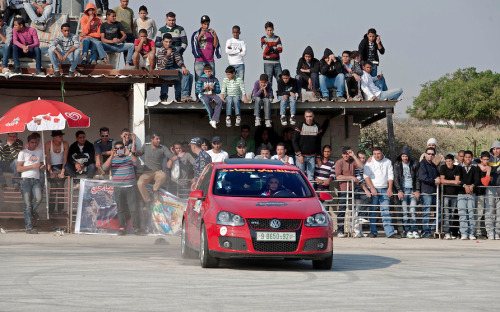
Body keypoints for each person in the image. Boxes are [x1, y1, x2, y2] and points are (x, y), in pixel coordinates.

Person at [102, 140, 142, 236]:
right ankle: (122, 228)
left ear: (124, 149)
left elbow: (138, 164)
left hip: (130, 186)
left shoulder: (129, 157)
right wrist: (112, 155)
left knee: (134, 208)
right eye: (117, 149)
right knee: (121, 209)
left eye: (121, 148)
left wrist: (129, 154)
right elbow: (104, 168)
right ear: (114, 149)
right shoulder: (113, 159)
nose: (119, 150)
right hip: (118, 188)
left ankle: (137, 228)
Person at [363, 147, 400, 239]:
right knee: (372, 211)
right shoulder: (370, 162)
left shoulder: (387, 162)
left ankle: (390, 233)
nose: (376, 155)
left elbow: (390, 175)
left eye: (378, 153)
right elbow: (366, 176)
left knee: (385, 211)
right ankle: (373, 231)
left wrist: (390, 188)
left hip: (384, 189)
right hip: (373, 189)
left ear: (382, 153)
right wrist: (372, 188)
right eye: (374, 154)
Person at [17, 134, 44, 234]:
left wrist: (42, 167)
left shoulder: (40, 152)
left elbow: (40, 165)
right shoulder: (23, 153)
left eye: (36, 142)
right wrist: (33, 166)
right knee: (27, 204)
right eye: (32, 142)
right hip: (25, 180)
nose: (34, 144)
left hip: (36, 179)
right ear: (28, 143)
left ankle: (32, 211)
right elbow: (19, 168)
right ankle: (28, 227)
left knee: (39, 198)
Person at [135, 132, 172, 206]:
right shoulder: (146, 146)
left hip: (158, 171)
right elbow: (140, 153)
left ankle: (155, 189)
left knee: (163, 176)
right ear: (152, 140)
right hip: (147, 172)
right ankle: (148, 201)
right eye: (157, 139)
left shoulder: (163, 148)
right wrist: (135, 151)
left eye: (159, 139)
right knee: (140, 183)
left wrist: (175, 155)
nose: (159, 140)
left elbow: (170, 155)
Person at [334, 147, 364, 238]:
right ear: (342, 154)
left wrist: (354, 155)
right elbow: (338, 176)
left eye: (347, 153)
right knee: (342, 210)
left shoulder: (352, 161)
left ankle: (354, 231)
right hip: (343, 189)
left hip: (353, 189)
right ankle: (340, 231)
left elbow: (361, 166)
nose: (346, 155)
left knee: (356, 208)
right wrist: (351, 177)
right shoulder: (339, 162)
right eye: (344, 154)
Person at [293, 109, 330, 181]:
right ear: (304, 116)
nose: (309, 118)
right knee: (300, 177)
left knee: (310, 177)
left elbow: (319, 142)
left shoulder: (317, 127)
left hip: (312, 157)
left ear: (313, 116)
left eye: (310, 116)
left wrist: (318, 156)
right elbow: (294, 141)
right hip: (301, 156)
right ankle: (301, 192)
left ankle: (310, 192)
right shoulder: (300, 126)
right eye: (307, 116)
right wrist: (299, 154)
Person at [393, 146, 421, 238]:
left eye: (406, 156)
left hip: (412, 190)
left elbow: (417, 178)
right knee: (405, 211)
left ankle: (414, 230)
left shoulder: (414, 164)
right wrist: (399, 190)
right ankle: (407, 230)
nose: (405, 158)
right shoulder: (397, 164)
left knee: (412, 211)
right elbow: (396, 178)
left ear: (409, 156)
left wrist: (417, 190)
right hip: (403, 190)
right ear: (401, 156)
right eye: (403, 156)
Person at [156, 33, 193, 102]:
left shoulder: (173, 49)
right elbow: (162, 67)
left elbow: (178, 59)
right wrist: (167, 55)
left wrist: (183, 67)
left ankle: (186, 95)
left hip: (170, 70)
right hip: (163, 72)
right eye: (166, 42)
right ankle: (183, 95)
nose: (168, 44)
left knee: (189, 75)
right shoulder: (161, 51)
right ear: (163, 41)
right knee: (182, 74)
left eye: (170, 42)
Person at [418, 146, 441, 238]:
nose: (430, 155)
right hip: (426, 192)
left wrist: (438, 178)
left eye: (432, 154)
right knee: (426, 212)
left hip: (434, 192)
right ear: (425, 154)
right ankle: (425, 231)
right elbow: (422, 177)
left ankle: (432, 228)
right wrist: (434, 181)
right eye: (429, 154)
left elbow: (437, 176)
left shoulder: (433, 166)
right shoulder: (422, 164)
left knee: (439, 210)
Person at [457, 151, 480, 240]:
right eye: (466, 157)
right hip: (461, 193)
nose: (467, 159)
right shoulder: (459, 167)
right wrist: (464, 185)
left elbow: (477, 180)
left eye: (469, 157)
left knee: (471, 213)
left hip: (471, 193)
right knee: (462, 213)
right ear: (463, 158)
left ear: (472, 158)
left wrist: (472, 185)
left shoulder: (475, 168)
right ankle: (464, 233)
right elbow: (458, 180)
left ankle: (471, 233)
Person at [191, 15, 221, 82]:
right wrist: (200, 35)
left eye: (207, 24)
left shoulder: (211, 34)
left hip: (210, 60)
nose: (206, 26)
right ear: (201, 24)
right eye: (204, 24)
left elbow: (215, 45)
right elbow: (194, 44)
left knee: (211, 80)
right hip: (199, 60)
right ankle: (198, 93)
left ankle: (211, 92)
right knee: (198, 80)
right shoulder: (196, 33)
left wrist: (215, 35)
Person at [45, 130, 69, 213]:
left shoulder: (65, 144)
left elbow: (65, 158)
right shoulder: (48, 144)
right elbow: (47, 159)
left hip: (61, 166)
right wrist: (50, 172)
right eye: (60, 136)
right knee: (53, 187)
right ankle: (51, 209)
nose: (62, 138)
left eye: (62, 136)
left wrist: (62, 171)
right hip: (51, 166)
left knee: (60, 186)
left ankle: (60, 209)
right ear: (54, 137)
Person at [195, 63, 223, 129]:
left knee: (220, 101)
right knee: (206, 102)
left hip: (212, 95)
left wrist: (214, 89)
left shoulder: (215, 79)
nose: (208, 73)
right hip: (203, 95)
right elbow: (197, 89)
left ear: (212, 71)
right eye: (206, 72)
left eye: (209, 71)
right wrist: (204, 88)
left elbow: (218, 91)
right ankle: (212, 119)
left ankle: (214, 119)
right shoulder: (201, 79)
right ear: (204, 71)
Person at [440, 154, 461, 240]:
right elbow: (442, 180)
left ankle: (451, 232)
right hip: (445, 194)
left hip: (454, 194)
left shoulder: (457, 168)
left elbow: (458, 180)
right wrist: (453, 182)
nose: (448, 163)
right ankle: (446, 232)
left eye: (450, 161)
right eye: (447, 161)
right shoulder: (443, 168)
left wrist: (448, 181)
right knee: (447, 214)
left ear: (453, 161)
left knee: (452, 214)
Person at [353, 150, 371, 238]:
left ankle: (360, 231)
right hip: (358, 189)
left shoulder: (364, 166)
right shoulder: (356, 166)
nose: (362, 159)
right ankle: (356, 231)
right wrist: (366, 190)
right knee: (357, 211)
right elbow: (359, 179)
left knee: (359, 211)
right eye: (360, 158)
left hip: (363, 189)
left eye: (364, 158)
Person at [261, 21, 282, 95]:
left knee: (280, 79)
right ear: (265, 30)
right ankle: (270, 96)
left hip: (277, 63)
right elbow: (265, 49)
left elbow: (280, 49)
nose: (270, 32)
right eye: (268, 30)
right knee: (268, 81)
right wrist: (274, 48)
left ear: (273, 29)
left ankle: (280, 94)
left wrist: (270, 49)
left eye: (271, 30)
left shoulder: (277, 38)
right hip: (268, 63)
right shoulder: (263, 39)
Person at [477, 151, 492, 239]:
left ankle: (483, 232)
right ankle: (478, 232)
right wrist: (488, 172)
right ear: (481, 160)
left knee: (485, 214)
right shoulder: (481, 169)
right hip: (480, 193)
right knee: (479, 214)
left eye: (487, 159)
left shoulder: (486, 167)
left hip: (487, 193)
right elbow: (485, 182)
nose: (486, 161)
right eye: (484, 159)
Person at [488, 141, 500, 240]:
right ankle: (490, 232)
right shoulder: (489, 159)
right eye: (494, 149)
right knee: (489, 210)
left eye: (498, 148)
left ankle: (498, 232)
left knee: (499, 213)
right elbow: (476, 162)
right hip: (490, 188)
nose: (496, 151)